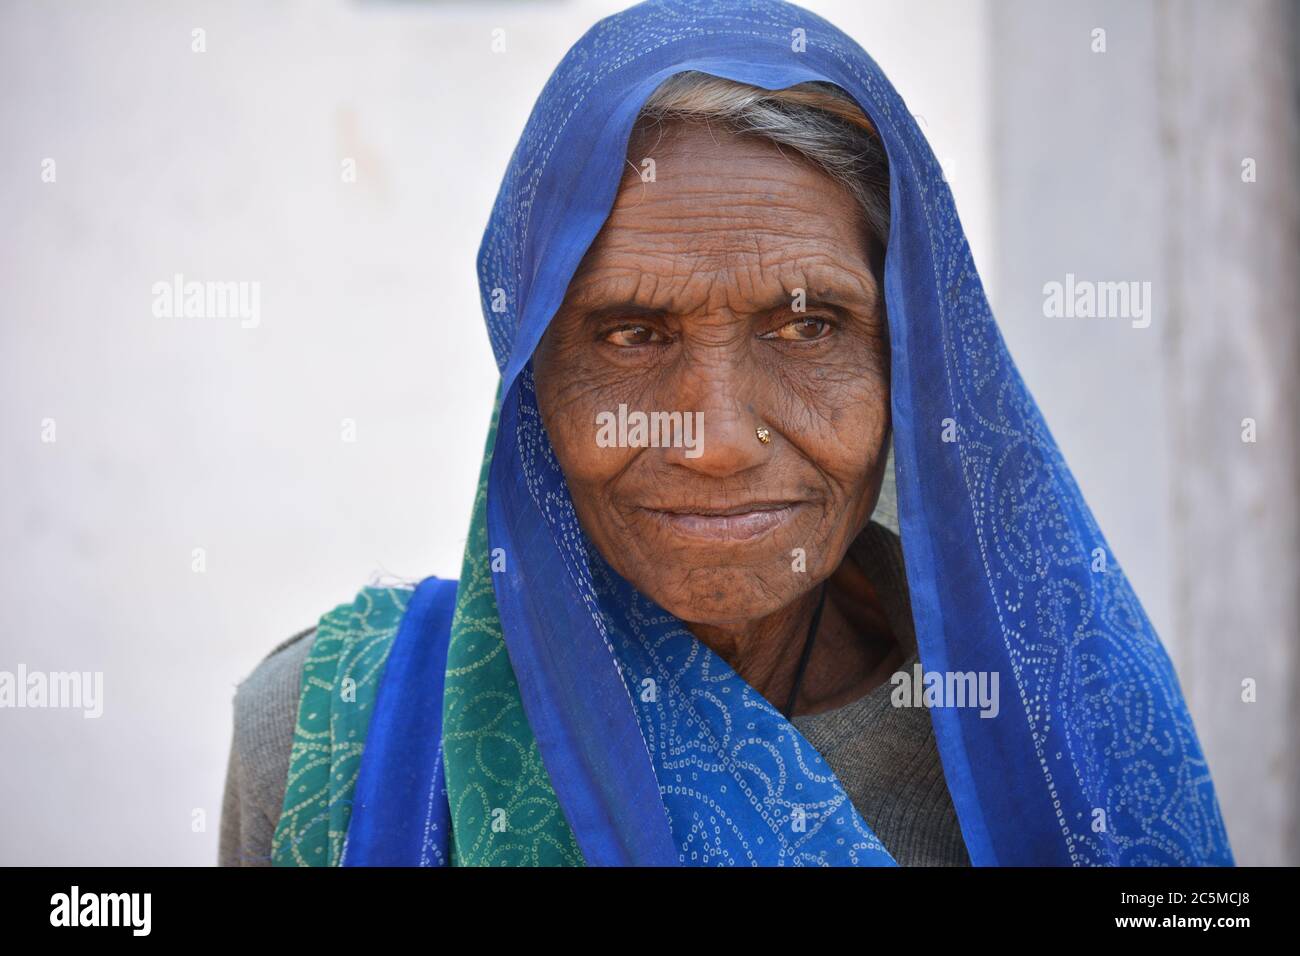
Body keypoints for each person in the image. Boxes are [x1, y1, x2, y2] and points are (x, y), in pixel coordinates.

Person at [219, 0, 1233, 867]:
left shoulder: (1057, 745)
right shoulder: (340, 733)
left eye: (806, 325)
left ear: (909, 366)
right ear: (533, 383)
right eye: (629, 332)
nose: (715, 441)